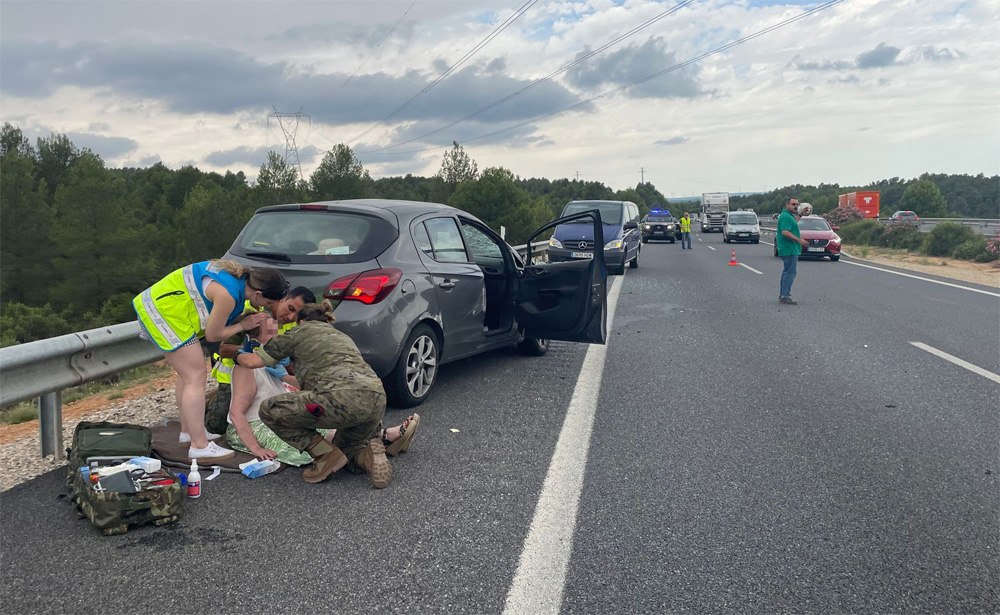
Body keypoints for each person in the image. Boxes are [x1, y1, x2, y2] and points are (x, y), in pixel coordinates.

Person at [133, 259, 289, 461]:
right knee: (195, 376)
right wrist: (244, 325)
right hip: (163, 313)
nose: (265, 308)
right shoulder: (228, 294)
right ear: (258, 294)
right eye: (267, 304)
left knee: (187, 375)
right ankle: (199, 446)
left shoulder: (238, 279)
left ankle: (189, 433)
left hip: (163, 308)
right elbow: (214, 335)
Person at [235, 301, 393, 488]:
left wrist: (236, 355)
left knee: (270, 410)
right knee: (347, 452)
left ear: (301, 321)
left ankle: (324, 455)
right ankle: (370, 457)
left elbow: (253, 361)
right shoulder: (342, 336)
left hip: (339, 398)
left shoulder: (298, 332)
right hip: (377, 398)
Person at [204, 286, 316, 436]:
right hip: (236, 376)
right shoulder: (254, 310)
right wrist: (255, 350)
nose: (290, 316)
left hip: (270, 379)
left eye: (296, 314)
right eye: (290, 308)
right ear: (283, 298)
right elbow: (223, 350)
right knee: (218, 427)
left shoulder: (292, 325)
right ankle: (211, 402)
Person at [776, 197, 810, 305]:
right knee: (790, 272)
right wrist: (799, 240)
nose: (796, 206)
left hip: (790, 248)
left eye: (797, 204)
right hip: (789, 248)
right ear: (787, 205)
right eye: (793, 204)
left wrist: (800, 215)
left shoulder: (788, 216)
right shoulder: (786, 216)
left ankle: (783, 294)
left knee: (787, 271)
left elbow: (793, 223)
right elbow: (785, 232)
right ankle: (785, 295)